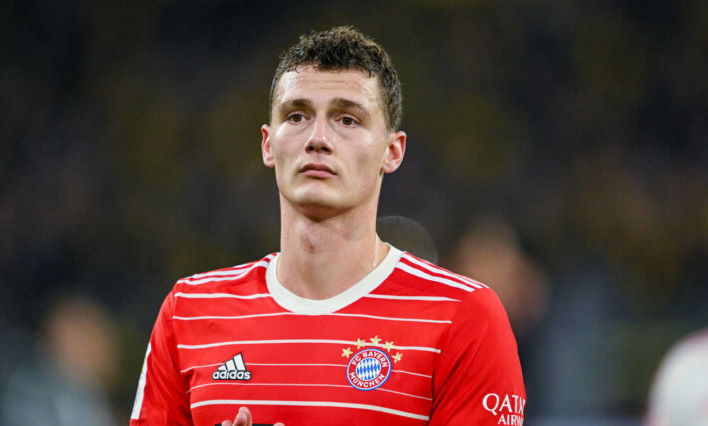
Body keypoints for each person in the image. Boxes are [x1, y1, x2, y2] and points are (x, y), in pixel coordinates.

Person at [130, 26, 525, 425]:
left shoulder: (462, 317)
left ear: (392, 151)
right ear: (268, 144)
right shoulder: (189, 312)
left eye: (347, 120)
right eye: (296, 116)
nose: (318, 138)